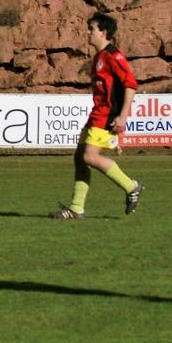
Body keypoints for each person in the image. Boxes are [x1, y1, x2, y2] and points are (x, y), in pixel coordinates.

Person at [49, 12, 142, 219]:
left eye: (92, 28)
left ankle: (131, 186)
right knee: (80, 159)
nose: (87, 32)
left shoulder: (113, 56)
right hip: (96, 113)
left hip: (107, 114)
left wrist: (123, 115)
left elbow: (130, 85)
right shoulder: (99, 57)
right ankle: (76, 208)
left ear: (104, 32)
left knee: (89, 156)